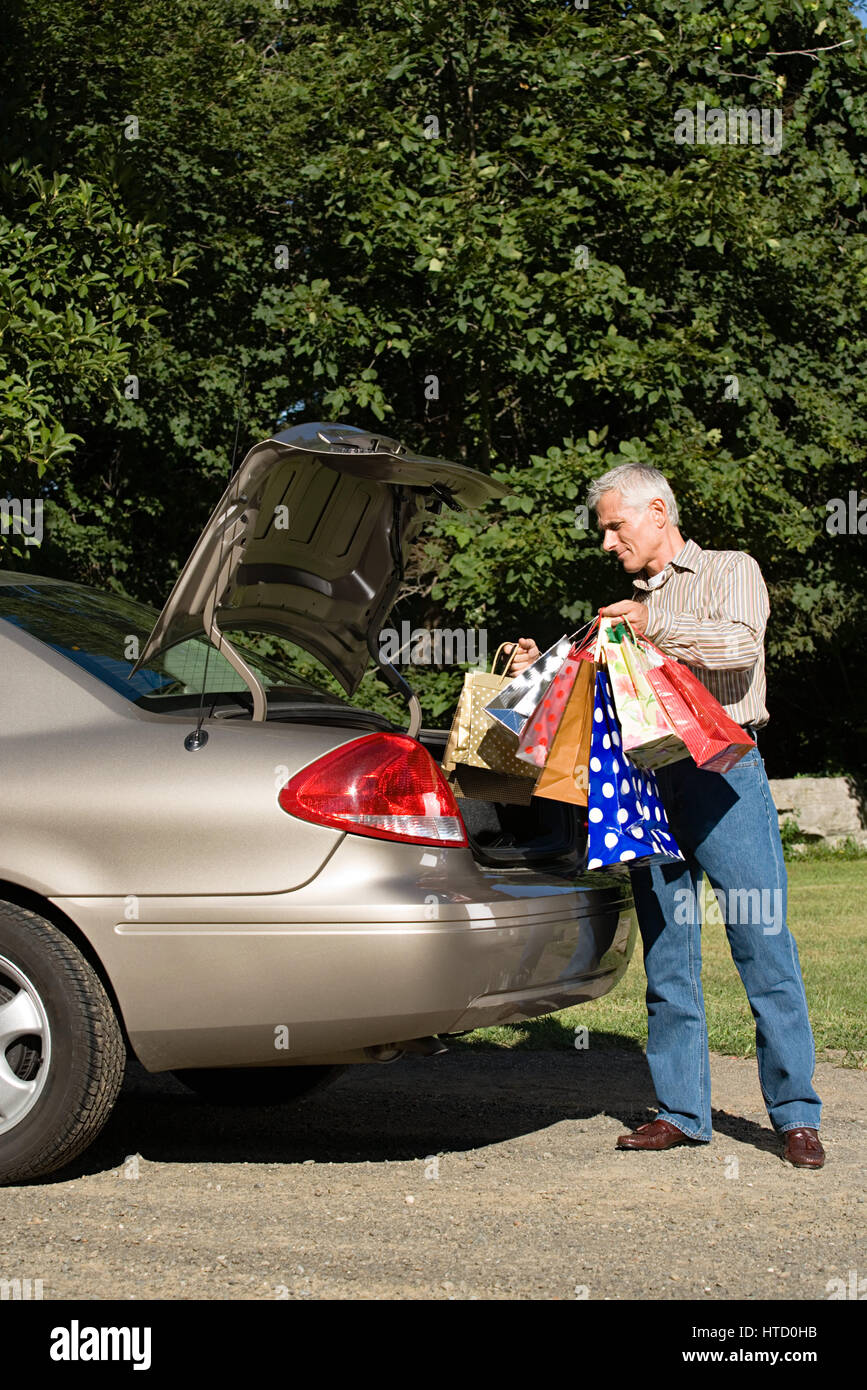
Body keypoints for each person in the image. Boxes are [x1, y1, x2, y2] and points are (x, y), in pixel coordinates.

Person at [506, 463, 824, 1169]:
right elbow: (591, 700)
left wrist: (655, 623)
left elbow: (740, 649)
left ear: (656, 512)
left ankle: (796, 1116)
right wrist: (537, 668)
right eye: (604, 531)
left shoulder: (728, 570)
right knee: (667, 954)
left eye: (614, 526)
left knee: (761, 943)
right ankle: (682, 1111)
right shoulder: (624, 607)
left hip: (725, 777)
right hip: (646, 784)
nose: (606, 542)